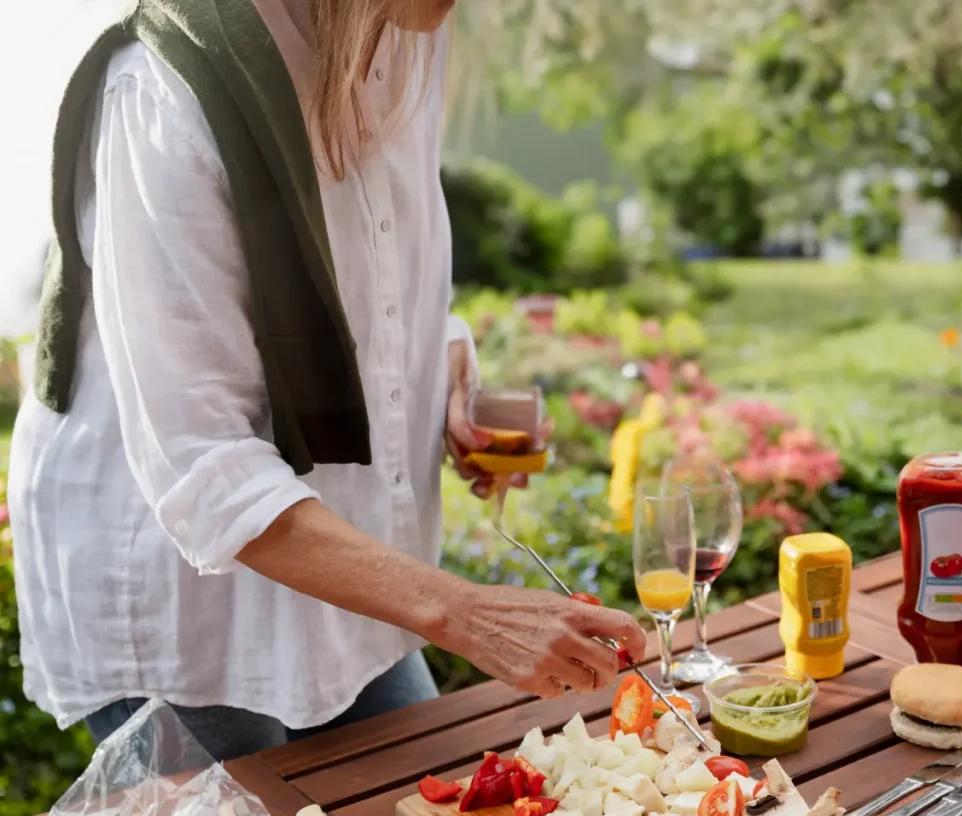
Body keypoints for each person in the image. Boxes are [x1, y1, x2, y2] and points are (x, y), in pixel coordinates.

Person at [7, 0, 645, 762]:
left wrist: (437, 372)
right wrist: (464, 613)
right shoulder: (163, 87)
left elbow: (375, 265)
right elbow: (203, 461)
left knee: (429, 808)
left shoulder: (409, 39)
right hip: (188, 603)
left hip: (347, 565)